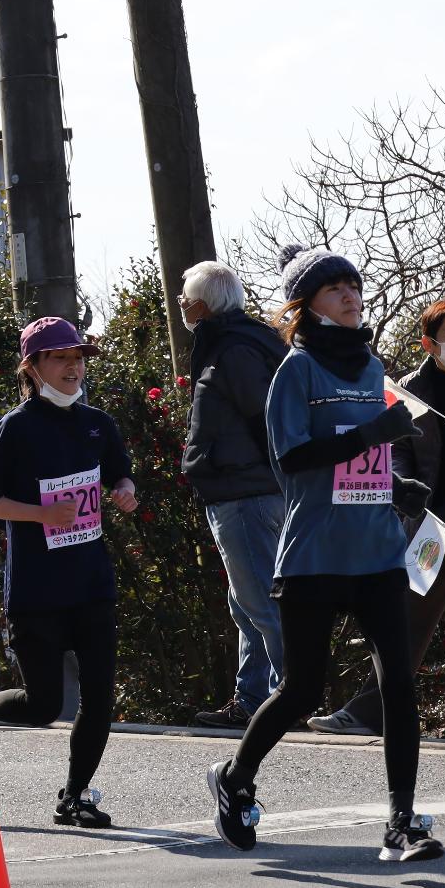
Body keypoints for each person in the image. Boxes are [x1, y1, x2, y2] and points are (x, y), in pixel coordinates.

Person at [206, 247, 443, 862]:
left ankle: (401, 822)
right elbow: (291, 462)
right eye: (334, 287)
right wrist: (371, 437)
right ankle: (233, 780)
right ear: (306, 303)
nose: (349, 294)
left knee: (399, 684)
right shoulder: (296, 371)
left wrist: (393, 483)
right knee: (302, 690)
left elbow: (362, 459)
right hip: (314, 554)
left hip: (379, 553)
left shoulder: (372, 365)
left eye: (353, 285)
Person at [314, 295, 445, 742]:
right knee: (406, 619)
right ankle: (369, 712)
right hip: (433, 526)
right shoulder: (408, 388)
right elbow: (398, 451)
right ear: (428, 343)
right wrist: (408, 493)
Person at [0, 317, 138, 827]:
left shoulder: (97, 423)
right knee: (43, 704)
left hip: (91, 582)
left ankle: (77, 795)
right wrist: (42, 514)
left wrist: (125, 490)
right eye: (60, 357)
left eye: (78, 357)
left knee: (100, 697)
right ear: (33, 367)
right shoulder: (15, 427)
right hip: (38, 589)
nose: (73, 367)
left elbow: (118, 471)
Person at [175, 260, 289, 730]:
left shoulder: (233, 350)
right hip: (243, 490)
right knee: (246, 604)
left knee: (260, 602)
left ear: (202, 305)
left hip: (245, 491)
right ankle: (252, 697)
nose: (181, 306)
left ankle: (289, 692)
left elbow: (266, 418)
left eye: (185, 299)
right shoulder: (243, 342)